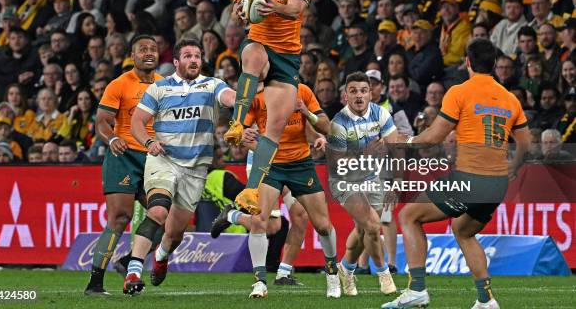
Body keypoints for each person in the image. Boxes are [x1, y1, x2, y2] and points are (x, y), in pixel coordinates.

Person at [382, 38, 531, 309]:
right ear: (495, 64)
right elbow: (526, 143)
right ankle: (486, 299)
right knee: (463, 230)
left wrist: (406, 141)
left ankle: (416, 290)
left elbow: (434, 136)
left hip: (470, 179)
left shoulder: (459, 91)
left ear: (468, 62)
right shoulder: (510, 99)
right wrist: (516, 166)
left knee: (408, 215)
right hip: (497, 184)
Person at [123, 39, 236, 295]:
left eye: (197, 56)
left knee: (174, 234)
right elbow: (137, 123)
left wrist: (240, 98)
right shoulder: (159, 88)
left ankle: (161, 256)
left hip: (195, 169)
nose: (194, 60)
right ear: (176, 62)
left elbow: (229, 97)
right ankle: (133, 272)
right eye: (187, 56)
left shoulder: (212, 85)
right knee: (158, 212)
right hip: (163, 160)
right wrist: (149, 141)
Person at [211, 82, 340, 298]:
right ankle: (260, 281)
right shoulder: (256, 95)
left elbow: (312, 126)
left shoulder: (302, 91)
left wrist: (316, 134)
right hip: (267, 164)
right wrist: (245, 138)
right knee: (267, 223)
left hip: (299, 164)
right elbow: (239, 132)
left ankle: (293, 273)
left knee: (312, 221)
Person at [222, 0, 311, 215]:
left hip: (288, 58)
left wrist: (275, 6)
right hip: (260, 44)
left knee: (275, 128)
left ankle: (251, 189)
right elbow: (240, 11)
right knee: (253, 54)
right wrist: (246, 10)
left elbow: (294, 9)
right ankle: (237, 123)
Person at [83, 35, 163, 296]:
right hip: (124, 156)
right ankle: (95, 284)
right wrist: (113, 137)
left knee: (168, 222)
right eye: (143, 49)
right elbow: (103, 122)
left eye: (153, 49)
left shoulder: (166, 85)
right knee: (119, 218)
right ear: (132, 55)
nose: (148, 53)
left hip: (154, 158)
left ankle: (129, 262)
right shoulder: (119, 84)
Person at [326, 71, 398, 297]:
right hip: (344, 181)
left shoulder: (381, 114)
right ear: (345, 95)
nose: (359, 96)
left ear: (371, 94)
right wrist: (364, 154)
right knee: (374, 226)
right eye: (353, 91)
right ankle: (383, 274)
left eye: (364, 91)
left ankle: (346, 270)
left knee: (363, 229)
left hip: (371, 179)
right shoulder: (338, 123)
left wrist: (396, 181)